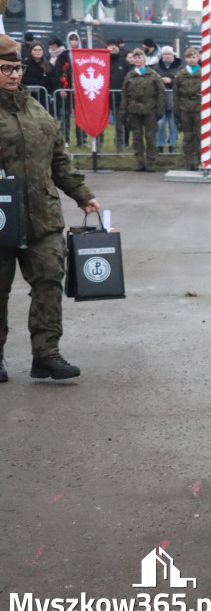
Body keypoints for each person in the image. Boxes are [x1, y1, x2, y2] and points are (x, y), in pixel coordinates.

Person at [0, 33, 100, 383]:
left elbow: (59, 160)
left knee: (49, 282)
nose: (14, 75)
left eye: (18, 68)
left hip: (41, 216)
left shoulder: (36, 109)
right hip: (0, 218)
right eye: (6, 69)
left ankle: (46, 355)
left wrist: (82, 193)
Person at [120, 48, 164, 171]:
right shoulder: (129, 76)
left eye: (140, 57)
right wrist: (124, 111)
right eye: (135, 58)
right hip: (134, 111)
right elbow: (125, 94)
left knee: (151, 138)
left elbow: (160, 92)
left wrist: (159, 109)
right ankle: (140, 161)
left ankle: (151, 162)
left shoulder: (153, 75)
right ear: (132, 60)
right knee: (137, 138)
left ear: (144, 59)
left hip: (150, 111)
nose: (138, 60)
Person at [173, 47, 203, 170]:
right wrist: (177, 110)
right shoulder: (181, 74)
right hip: (185, 109)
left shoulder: (203, 73)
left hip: (199, 109)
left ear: (198, 58)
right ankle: (188, 162)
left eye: (194, 57)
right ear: (186, 59)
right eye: (189, 58)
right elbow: (176, 94)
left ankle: (201, 160)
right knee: (188, 137)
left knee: (200, 136)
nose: (191, 60)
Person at [156, 46, 182, 154]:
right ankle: (160, 145)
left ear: (173, 55)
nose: (167, 56)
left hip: (174, 99)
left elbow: (181, 81)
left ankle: (172, 144)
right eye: (165, 54)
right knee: (160, 124)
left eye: (169, 54)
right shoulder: (156, 67)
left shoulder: (180, 67)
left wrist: (171, 81)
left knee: (172, 124)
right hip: (160, 100)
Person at [107, 40, 131, 152]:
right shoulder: (101, 61)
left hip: (119, 98)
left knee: (119, 125)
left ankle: (120, 148)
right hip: (103, 99)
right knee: (98, 124)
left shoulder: (124, 63)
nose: (113, 48)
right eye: (110, 45)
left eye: (115, 46)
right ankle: (96, 147)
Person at [22, 43, 56, 107]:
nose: (38, 52)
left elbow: (54, 77)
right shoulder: (25, 64)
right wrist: (38, 82)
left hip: (45, 96)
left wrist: (47, 81)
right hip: (31, 96)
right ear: (31, 51)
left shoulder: (48, 64)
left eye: (40, 50)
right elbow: (23, 79)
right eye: (35, 50)